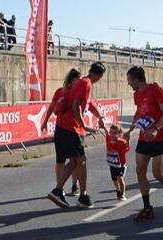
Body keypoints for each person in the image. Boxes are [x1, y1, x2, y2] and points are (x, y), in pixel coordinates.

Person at [46, 62, 107, 209]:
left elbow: (88, 105)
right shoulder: (85, 83)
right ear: (99, 76)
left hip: (65, 128)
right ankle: (70, 193)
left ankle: (69, 192)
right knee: (81, 161)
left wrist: (100, 117)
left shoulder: (80, 83)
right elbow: (75, 107)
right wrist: (84, 125)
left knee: (76, 162)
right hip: (71, 128)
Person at [125, 66, 163, 222]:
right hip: (144, 137)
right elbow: (139, 112)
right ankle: (147, 208)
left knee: (157, 174)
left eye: (129, 81)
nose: (128, 84)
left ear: (136, 80)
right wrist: (130, 130)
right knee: (140, 170)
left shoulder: (156, 90)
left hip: (160, 137)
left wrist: (155, 128)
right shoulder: (136, 94)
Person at [41, 68, 82, 195]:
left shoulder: (78, 92)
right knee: (61, 160)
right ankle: (60, 188)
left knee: (75, 160)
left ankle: (74, 185)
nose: (78, 83)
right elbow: (52, 107)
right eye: (77, 80)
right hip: (61, 129)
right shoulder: (60, 91)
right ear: (71, 80)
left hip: (74, 129)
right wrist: (45, 121)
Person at [105, 124, 130, 201]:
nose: (112, 134)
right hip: (112, 164)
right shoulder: (108, 139)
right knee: (114, 179)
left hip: (121, 164)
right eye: (111, 132)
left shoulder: (122, 142)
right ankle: (118, 190)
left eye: (115, 133)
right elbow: (106, 132)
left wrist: (128, 140)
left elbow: (127, 148)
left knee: (120, 178)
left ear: (119, 134)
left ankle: (122, 193)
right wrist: (103, 125)